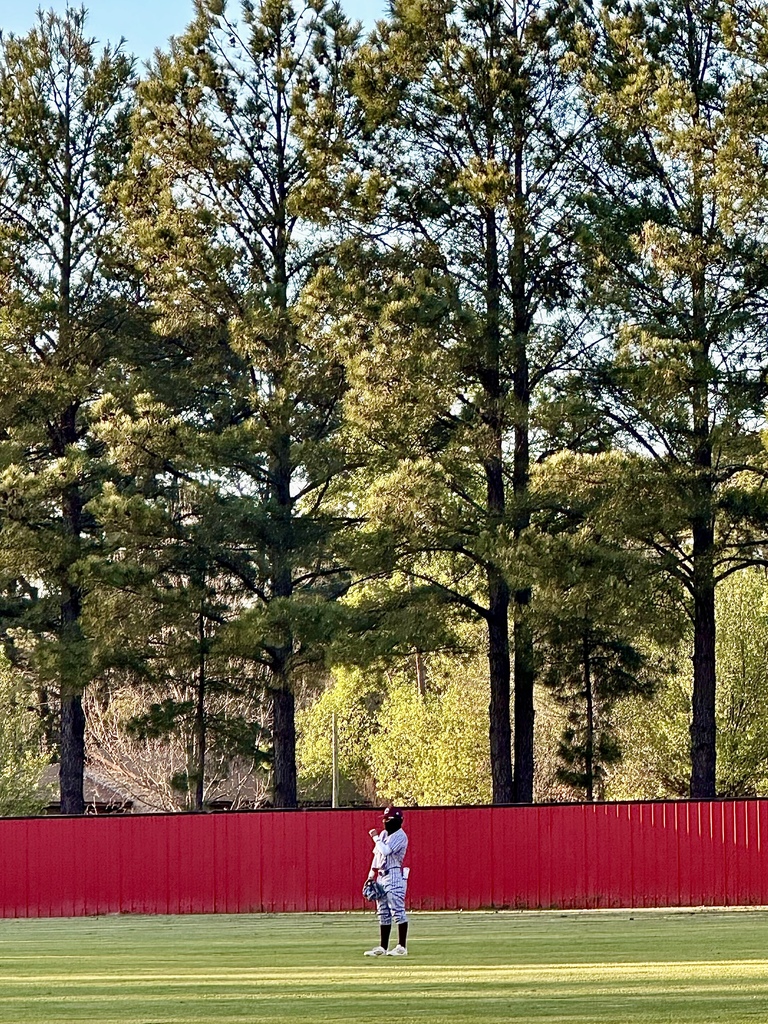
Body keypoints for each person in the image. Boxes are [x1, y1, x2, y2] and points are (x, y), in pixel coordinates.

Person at [363, 806, 409, 957]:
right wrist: (371, 874)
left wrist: (375, 838)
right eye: (384, 819)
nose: (385, 822)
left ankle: (402, 946)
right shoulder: (383, 834)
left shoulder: (400, 836)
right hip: (381, 875)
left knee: (397, 910)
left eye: (388, 819)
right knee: (382, 911)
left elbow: (386, 851)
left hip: (394, 873)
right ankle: (383, 947)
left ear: (397, 820)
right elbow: (377, 855)